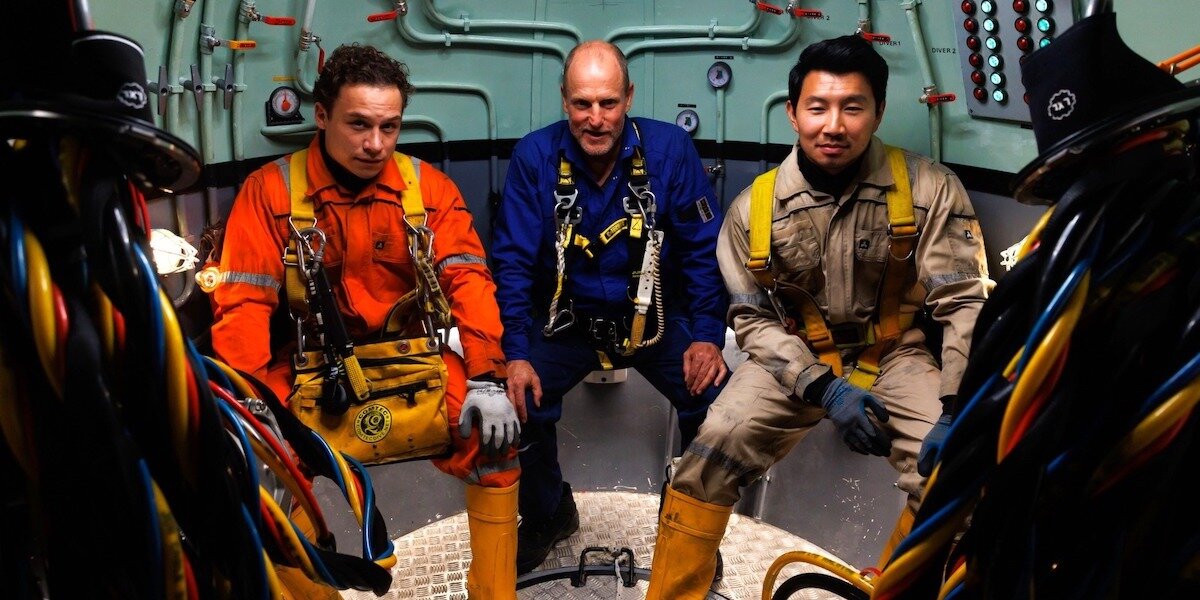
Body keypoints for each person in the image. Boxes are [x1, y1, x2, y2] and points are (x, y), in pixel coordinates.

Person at [645, 34, 994, 598]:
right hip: (793, 359)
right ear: (793, 113)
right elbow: (753, 322)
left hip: (894, 354)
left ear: (878, 111)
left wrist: (956, 409)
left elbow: (964, 303)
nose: (834, 125)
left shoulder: (929, 189)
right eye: (817, 107)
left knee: (958, 475)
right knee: (707, 458)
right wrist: (823, 388)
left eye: (852, 107)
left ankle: (895, 589)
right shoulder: (752, 211)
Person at [208, 44, 522, 599]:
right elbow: (243, 308)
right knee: (259, 475)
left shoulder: (427, 190)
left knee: (495, 439)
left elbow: (470, 282)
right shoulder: (271, 192)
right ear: (322, 116)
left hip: (409, 361)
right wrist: (254, 413)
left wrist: (485, 376)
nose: (375, 144)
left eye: (389, 127)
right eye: (358, 124)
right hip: (309, 371)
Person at [492, 40, 730, 574]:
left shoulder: (670, 151)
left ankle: (686, 524)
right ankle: (548, 513)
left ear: (629, 97)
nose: (595, 119)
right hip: (566, 323)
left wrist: (706, 336)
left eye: (608, 103)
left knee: (717, 403)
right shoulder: (535, 157)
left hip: (652, 323)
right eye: (582, 104)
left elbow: (702, 252)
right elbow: (511, 263)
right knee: (517, 403)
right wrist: (517, 353)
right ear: (564, 100)